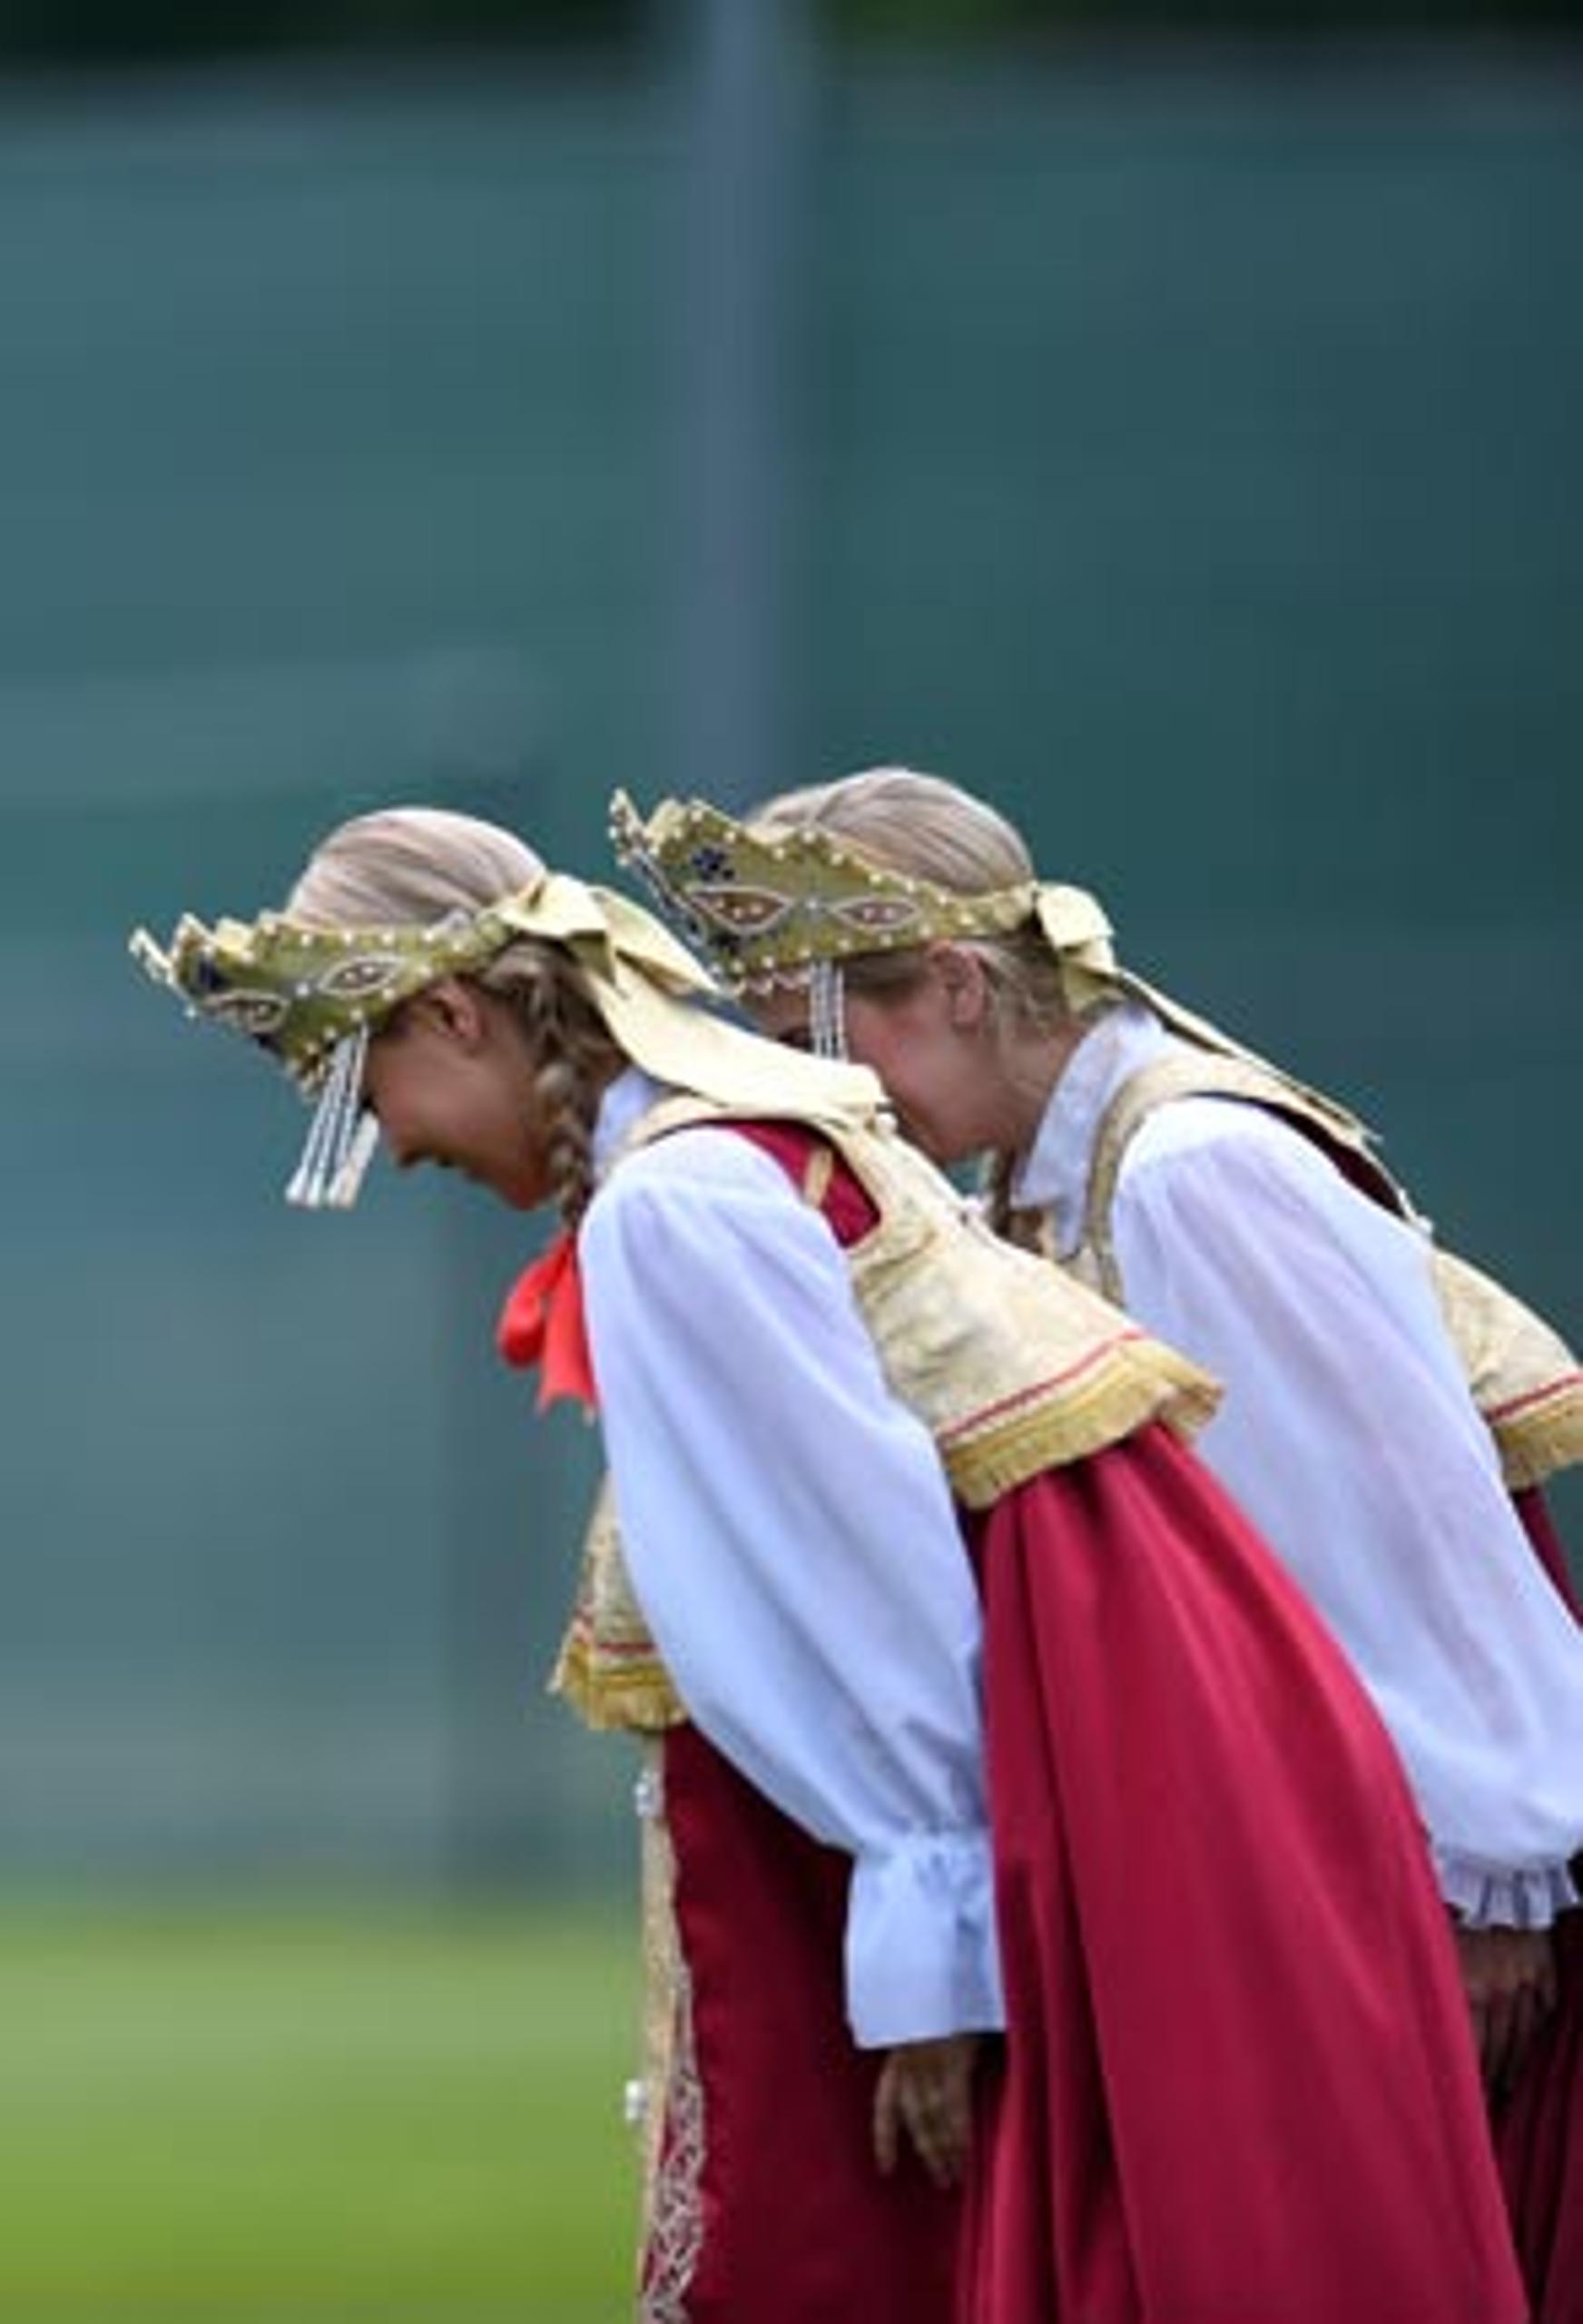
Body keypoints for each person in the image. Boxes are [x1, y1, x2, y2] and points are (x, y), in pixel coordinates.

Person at [133, 807, 1522, 2323]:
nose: (390, 1143)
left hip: (1041, 1800)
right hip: (1092, 1763)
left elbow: (865, 1582)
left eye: (361, 1082)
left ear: (459, 1013)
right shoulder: (739, 1154)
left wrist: (935, 1954)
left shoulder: (680, 1200)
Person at [619, 764, 1583, 2315]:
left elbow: (1413, 1547)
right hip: (1276, 1870)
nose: (834, 1090)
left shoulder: (1192, 1170)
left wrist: (1490, 1892)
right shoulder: (1041, 1185)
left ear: (953, 982)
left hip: (1414, 1901)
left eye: (833, 1032)